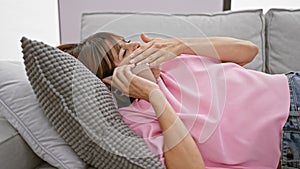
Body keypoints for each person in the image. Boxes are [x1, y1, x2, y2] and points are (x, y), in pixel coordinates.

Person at [57, 32, 299, 169]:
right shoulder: (137, 119)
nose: (136, 45)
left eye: (126, 41)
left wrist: (181, 45)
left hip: (292, 87)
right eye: (124, 51)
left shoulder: (170, 57)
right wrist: (154, 95)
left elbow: (249, 51)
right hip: (290, 138)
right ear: (113, 80)